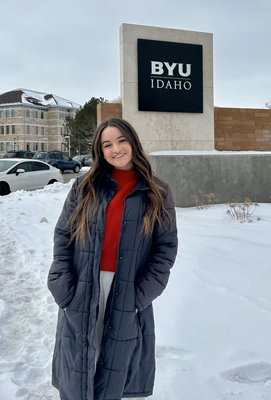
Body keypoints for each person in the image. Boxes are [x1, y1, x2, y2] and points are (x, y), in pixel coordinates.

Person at [47, 118, 178, 400]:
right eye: (107, 144)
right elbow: (63, 236)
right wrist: (62, 284)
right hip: (82, 288)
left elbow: (164, 250)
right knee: (79, 367)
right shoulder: (85, 187)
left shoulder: (157, 191)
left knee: (115, 368)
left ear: (133, 143)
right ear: (100, 151)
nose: (116, 149)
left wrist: (139, 296)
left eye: (121, 141)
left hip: (127, 291)